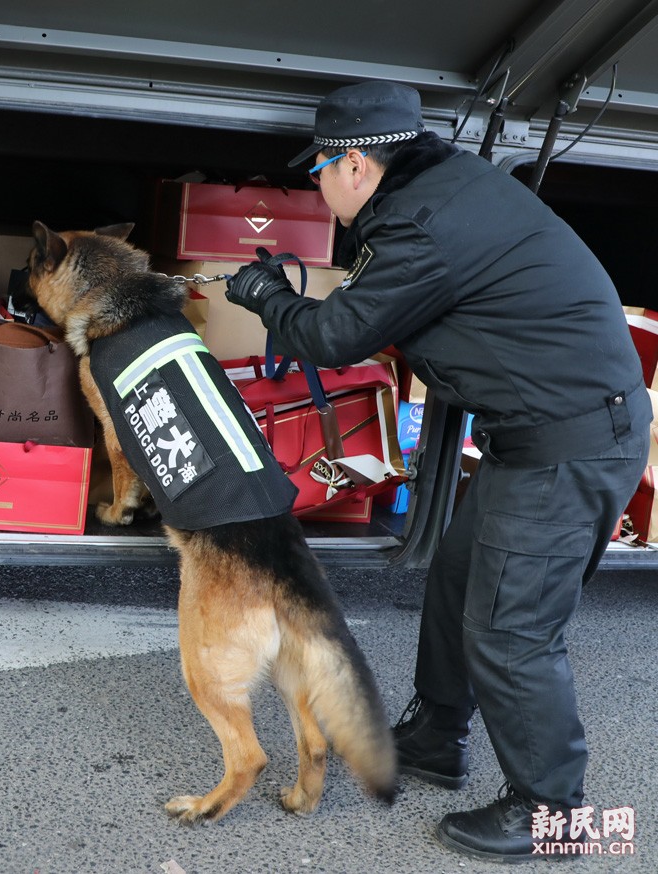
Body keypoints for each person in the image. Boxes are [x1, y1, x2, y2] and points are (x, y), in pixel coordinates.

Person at [225, 79, 651, 862]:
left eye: (317, 168)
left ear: (354, 164)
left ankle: (553, 810)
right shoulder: (438, 192)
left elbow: (338, 336)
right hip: (538, 435)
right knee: (459, 579)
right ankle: (436, 737)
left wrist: (265, 298)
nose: (315, 186)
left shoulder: (424, 224)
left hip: (572, 442)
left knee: (513, 630)